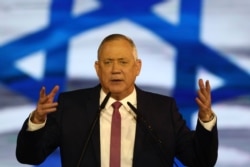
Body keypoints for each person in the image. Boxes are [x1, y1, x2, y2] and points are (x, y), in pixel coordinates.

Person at [16, 34, 218, 167]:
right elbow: (29, 157)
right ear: (97, 68)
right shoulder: (71, 107)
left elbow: (200, 160)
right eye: (108, 62)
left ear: (137, 67)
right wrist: (37, 121)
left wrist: (206, 119)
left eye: (123, 62)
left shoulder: (162, 109)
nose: (115, 70)